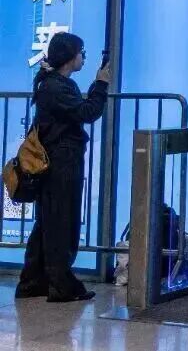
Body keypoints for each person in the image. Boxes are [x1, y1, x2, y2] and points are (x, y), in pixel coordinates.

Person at [17, 32, 109, 302]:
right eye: (81, 52)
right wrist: (101, 84)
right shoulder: (57, 87)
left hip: (58, 161)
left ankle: (33, 281)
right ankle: (60, 285)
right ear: (69, 56)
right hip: (61, 164)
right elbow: (88, 112)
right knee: (60, 223)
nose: (83, 57)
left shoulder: (54, 84)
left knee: (48, 222)